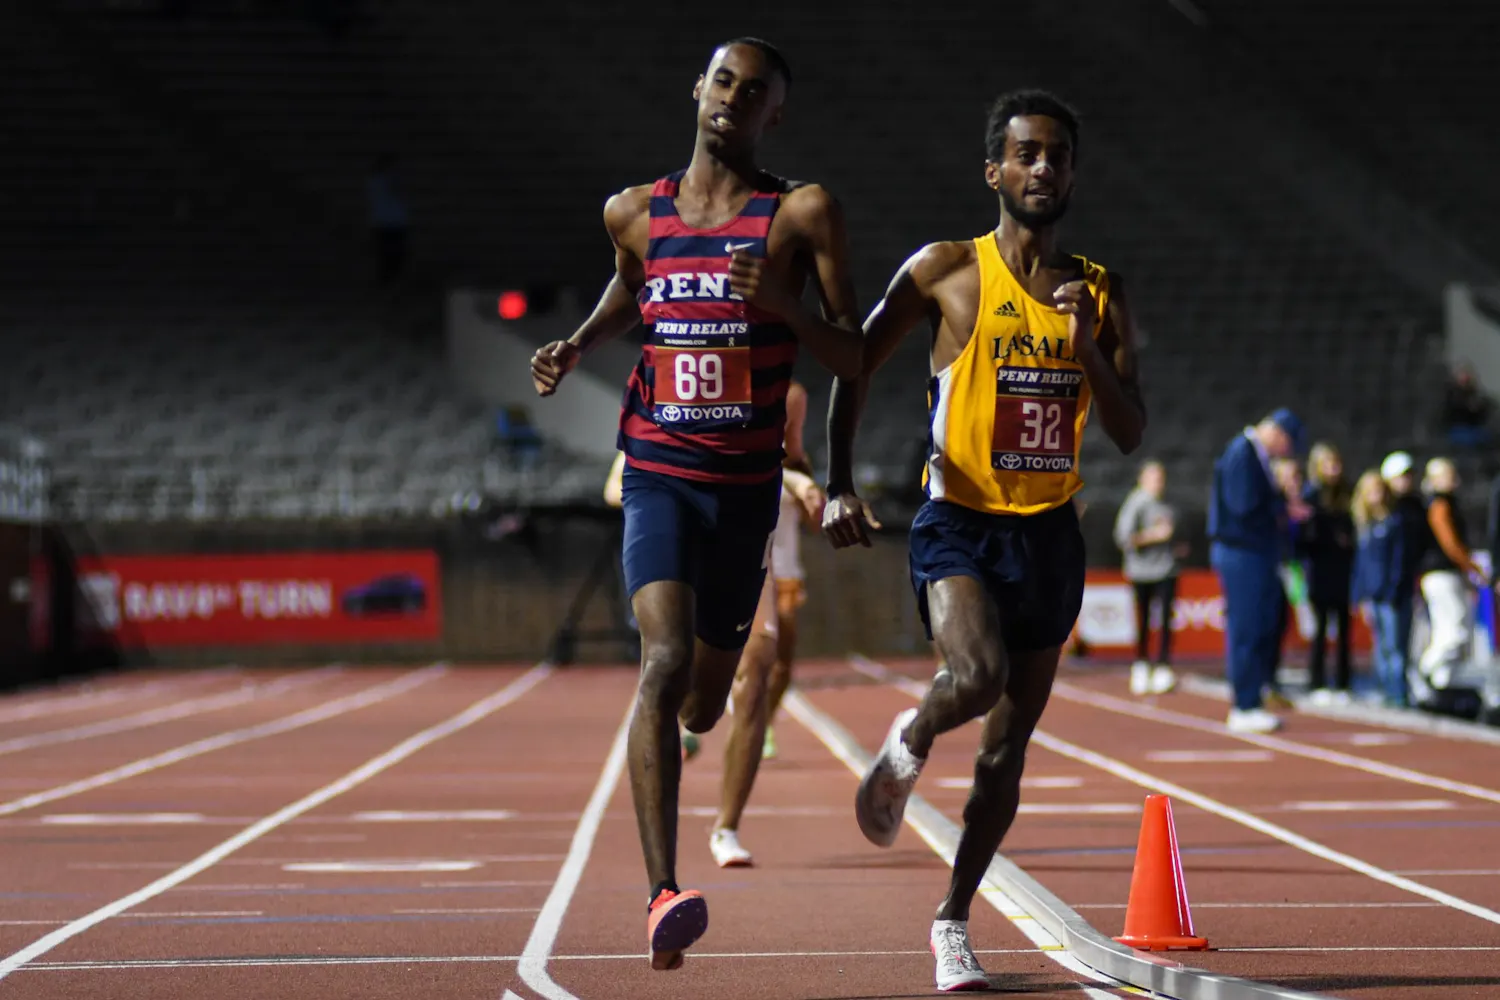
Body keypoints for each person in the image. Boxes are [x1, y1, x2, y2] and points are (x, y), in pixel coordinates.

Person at [529, 38, 863, 971]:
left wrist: (788, 315)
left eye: (755, 91)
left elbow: (854, 356)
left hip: (747, 486)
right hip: (660, 470)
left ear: (774, 114)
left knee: (708, 701)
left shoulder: (799, 215)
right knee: (663, 659)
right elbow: (633, 283)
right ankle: (661, 893)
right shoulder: (633, 211)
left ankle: (690, 724)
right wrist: (583, 342)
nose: (734, 98)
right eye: (723, 80)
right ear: (698, 89)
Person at [822, 90, 1146, 993]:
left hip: (1050, 534)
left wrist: (1083, 348)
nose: (1043, 169)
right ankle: (911, 735)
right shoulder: (946, 272)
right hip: (960, 520)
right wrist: (839, 482)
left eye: (1058, 156)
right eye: (1027, 154)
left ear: (1073, 172)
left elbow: (1128, 429)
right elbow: (854, 361)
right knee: (976, 677)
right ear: (995, 170)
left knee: (1006, 752)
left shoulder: (1103, 290)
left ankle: (953, 923)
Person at [708, 449, 825, 868]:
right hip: (688, 548)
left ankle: (726, 826)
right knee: (693, 702)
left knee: (757, 676)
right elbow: (619, 481)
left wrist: (806, 485)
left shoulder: (769, 406)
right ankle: (691, 713)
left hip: (758, 560)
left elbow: (784, 469)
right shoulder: (662, 397)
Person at [1207, 410, 1310, 733]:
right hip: (1243, 552)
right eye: (1287, 445)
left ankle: (1251, 698)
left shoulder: (1249, 453)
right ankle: (1245, 704)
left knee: (1257, 625)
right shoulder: (1243, 452)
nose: (1285, 453)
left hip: (1250, 552)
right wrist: (1281, 507)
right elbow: (1243, 506)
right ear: (1279, 435)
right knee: (1246, 627)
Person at [759, 379, 830, 761]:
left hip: (785, 573)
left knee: (782, 662)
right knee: (748, 659)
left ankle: (764, 721)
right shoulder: (744, 452)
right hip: (749, 575)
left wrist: (815, 500)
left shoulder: (799, 465)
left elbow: (815, 524)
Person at [1416, 457, 1488, 691]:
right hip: (1441, 574)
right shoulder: (1439, 506)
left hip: (1447, 574)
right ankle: (1427, 668)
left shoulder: (1448, 504)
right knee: (1455, 629)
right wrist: (1473, 567)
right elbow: (1451, 544)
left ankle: (1441, 684)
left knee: (1449, 629)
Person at [1113, 460, 1182, 695]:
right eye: (1153, 478)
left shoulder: (1170, 503)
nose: (1158, 483)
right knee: (1143, 619)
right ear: (1142, 479)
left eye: (1161, 478)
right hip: (1141, 570)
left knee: (1165, 618)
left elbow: (1178, 533)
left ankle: (1163, 665)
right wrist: (1153, 536)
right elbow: (1123, 538)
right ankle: (1141, 663)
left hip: (1166, 569)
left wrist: (1177, 544)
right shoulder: (1136, 503)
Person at [1300, 442, 1356, 702]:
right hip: (1320, 570)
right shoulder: (1310, 495)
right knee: (1320, 628)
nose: (1334, 469)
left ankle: (1344, 682)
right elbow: (1305, 537)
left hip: (1343, 571)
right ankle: (1317, 681)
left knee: (1345, 629)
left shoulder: (1347, 495)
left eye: (1336, 464)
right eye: (1328, 464)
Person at [1351, 470, 1407, 706]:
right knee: (1379, 646)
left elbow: (1398, 561)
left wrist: (1393, 589)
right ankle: (1384, 689)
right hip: (1372, 595)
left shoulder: (1394, 522)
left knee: (1394, 645)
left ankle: (1398, 692)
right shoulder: (1365, 525)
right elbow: (1361, 564)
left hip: (1389, 595)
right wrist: (1358, 594)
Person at [1380, 451, 1430, 705]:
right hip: (1384, 587)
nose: (1406, 481)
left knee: (1404, 642)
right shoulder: (1382, 508)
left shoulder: (1417, 508)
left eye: (1409, 475)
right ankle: (1391, 693)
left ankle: (1399, 693)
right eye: (1401, 476)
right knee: (1388, 645)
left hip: (1407, 582)